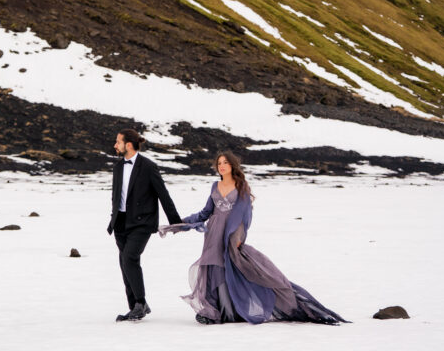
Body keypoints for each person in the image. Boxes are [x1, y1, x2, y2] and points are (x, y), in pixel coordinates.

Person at [161, 151, 346, 325]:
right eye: (219, 163)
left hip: (230, 235)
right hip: (212, 234)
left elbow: (245, 216)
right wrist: (181, 223)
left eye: (226, 162)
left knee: (230, 270)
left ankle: (230, 312)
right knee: (212, 270)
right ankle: (213, 311)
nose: (222, 166)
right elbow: (206, 212)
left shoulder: (241, 186)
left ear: (233, 166)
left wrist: (240, 236)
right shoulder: (214, 186)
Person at [108, 127, 182, 321]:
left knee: (130, 258)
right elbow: (116, 197)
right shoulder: (117, 168)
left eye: (118, 142)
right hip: (121, 223)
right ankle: (135, 306)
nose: (115, 145)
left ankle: (140, 302)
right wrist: (113, 218)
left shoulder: (148, 166)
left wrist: (175, 221)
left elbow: (163, 194)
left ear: (129, 145)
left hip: (142, 222)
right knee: (124, 263)